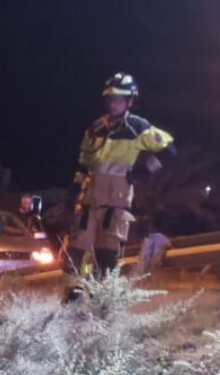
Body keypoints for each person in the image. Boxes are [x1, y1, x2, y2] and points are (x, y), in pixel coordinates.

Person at [67, 73, 176, 281]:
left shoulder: (138, 128)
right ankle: (73, 296)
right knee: (76, 252)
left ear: (130, 101)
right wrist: (74, 187)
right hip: (89, 201)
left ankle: (102, 305)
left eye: (119, 99)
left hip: (115, 205)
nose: (113, 104)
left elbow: (169, 150)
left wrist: (144, 171)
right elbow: (84, 161)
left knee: (107, 255)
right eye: (110, 99)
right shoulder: (96, 128)